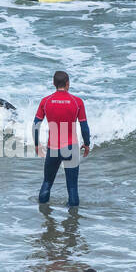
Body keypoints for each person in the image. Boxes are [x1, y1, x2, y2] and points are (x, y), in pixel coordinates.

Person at [33, 70, 90, 208]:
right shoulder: (77, 102)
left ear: (54, 83)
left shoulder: (45, 101)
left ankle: (43, 213)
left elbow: (36, 125)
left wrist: (36, 144)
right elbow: (84, 126)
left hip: (53, 148)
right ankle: (72, 222)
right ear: (67, 83)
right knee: (72, 187)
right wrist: (87, 144)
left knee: (47, 182)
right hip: (71, 147)